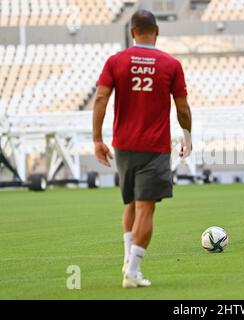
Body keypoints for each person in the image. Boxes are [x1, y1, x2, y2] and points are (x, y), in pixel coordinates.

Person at [92, 10, 192, 288]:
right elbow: (182, 107)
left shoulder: (115, 61)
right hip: (155, 146)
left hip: (123, 145)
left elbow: (100, 97)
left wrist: (97, 139)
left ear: (132, 32)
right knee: (146, 208)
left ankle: (127, 261)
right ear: (156, 31)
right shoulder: (170, 64)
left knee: (131, 204)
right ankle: (132, 271)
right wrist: (188, 136)